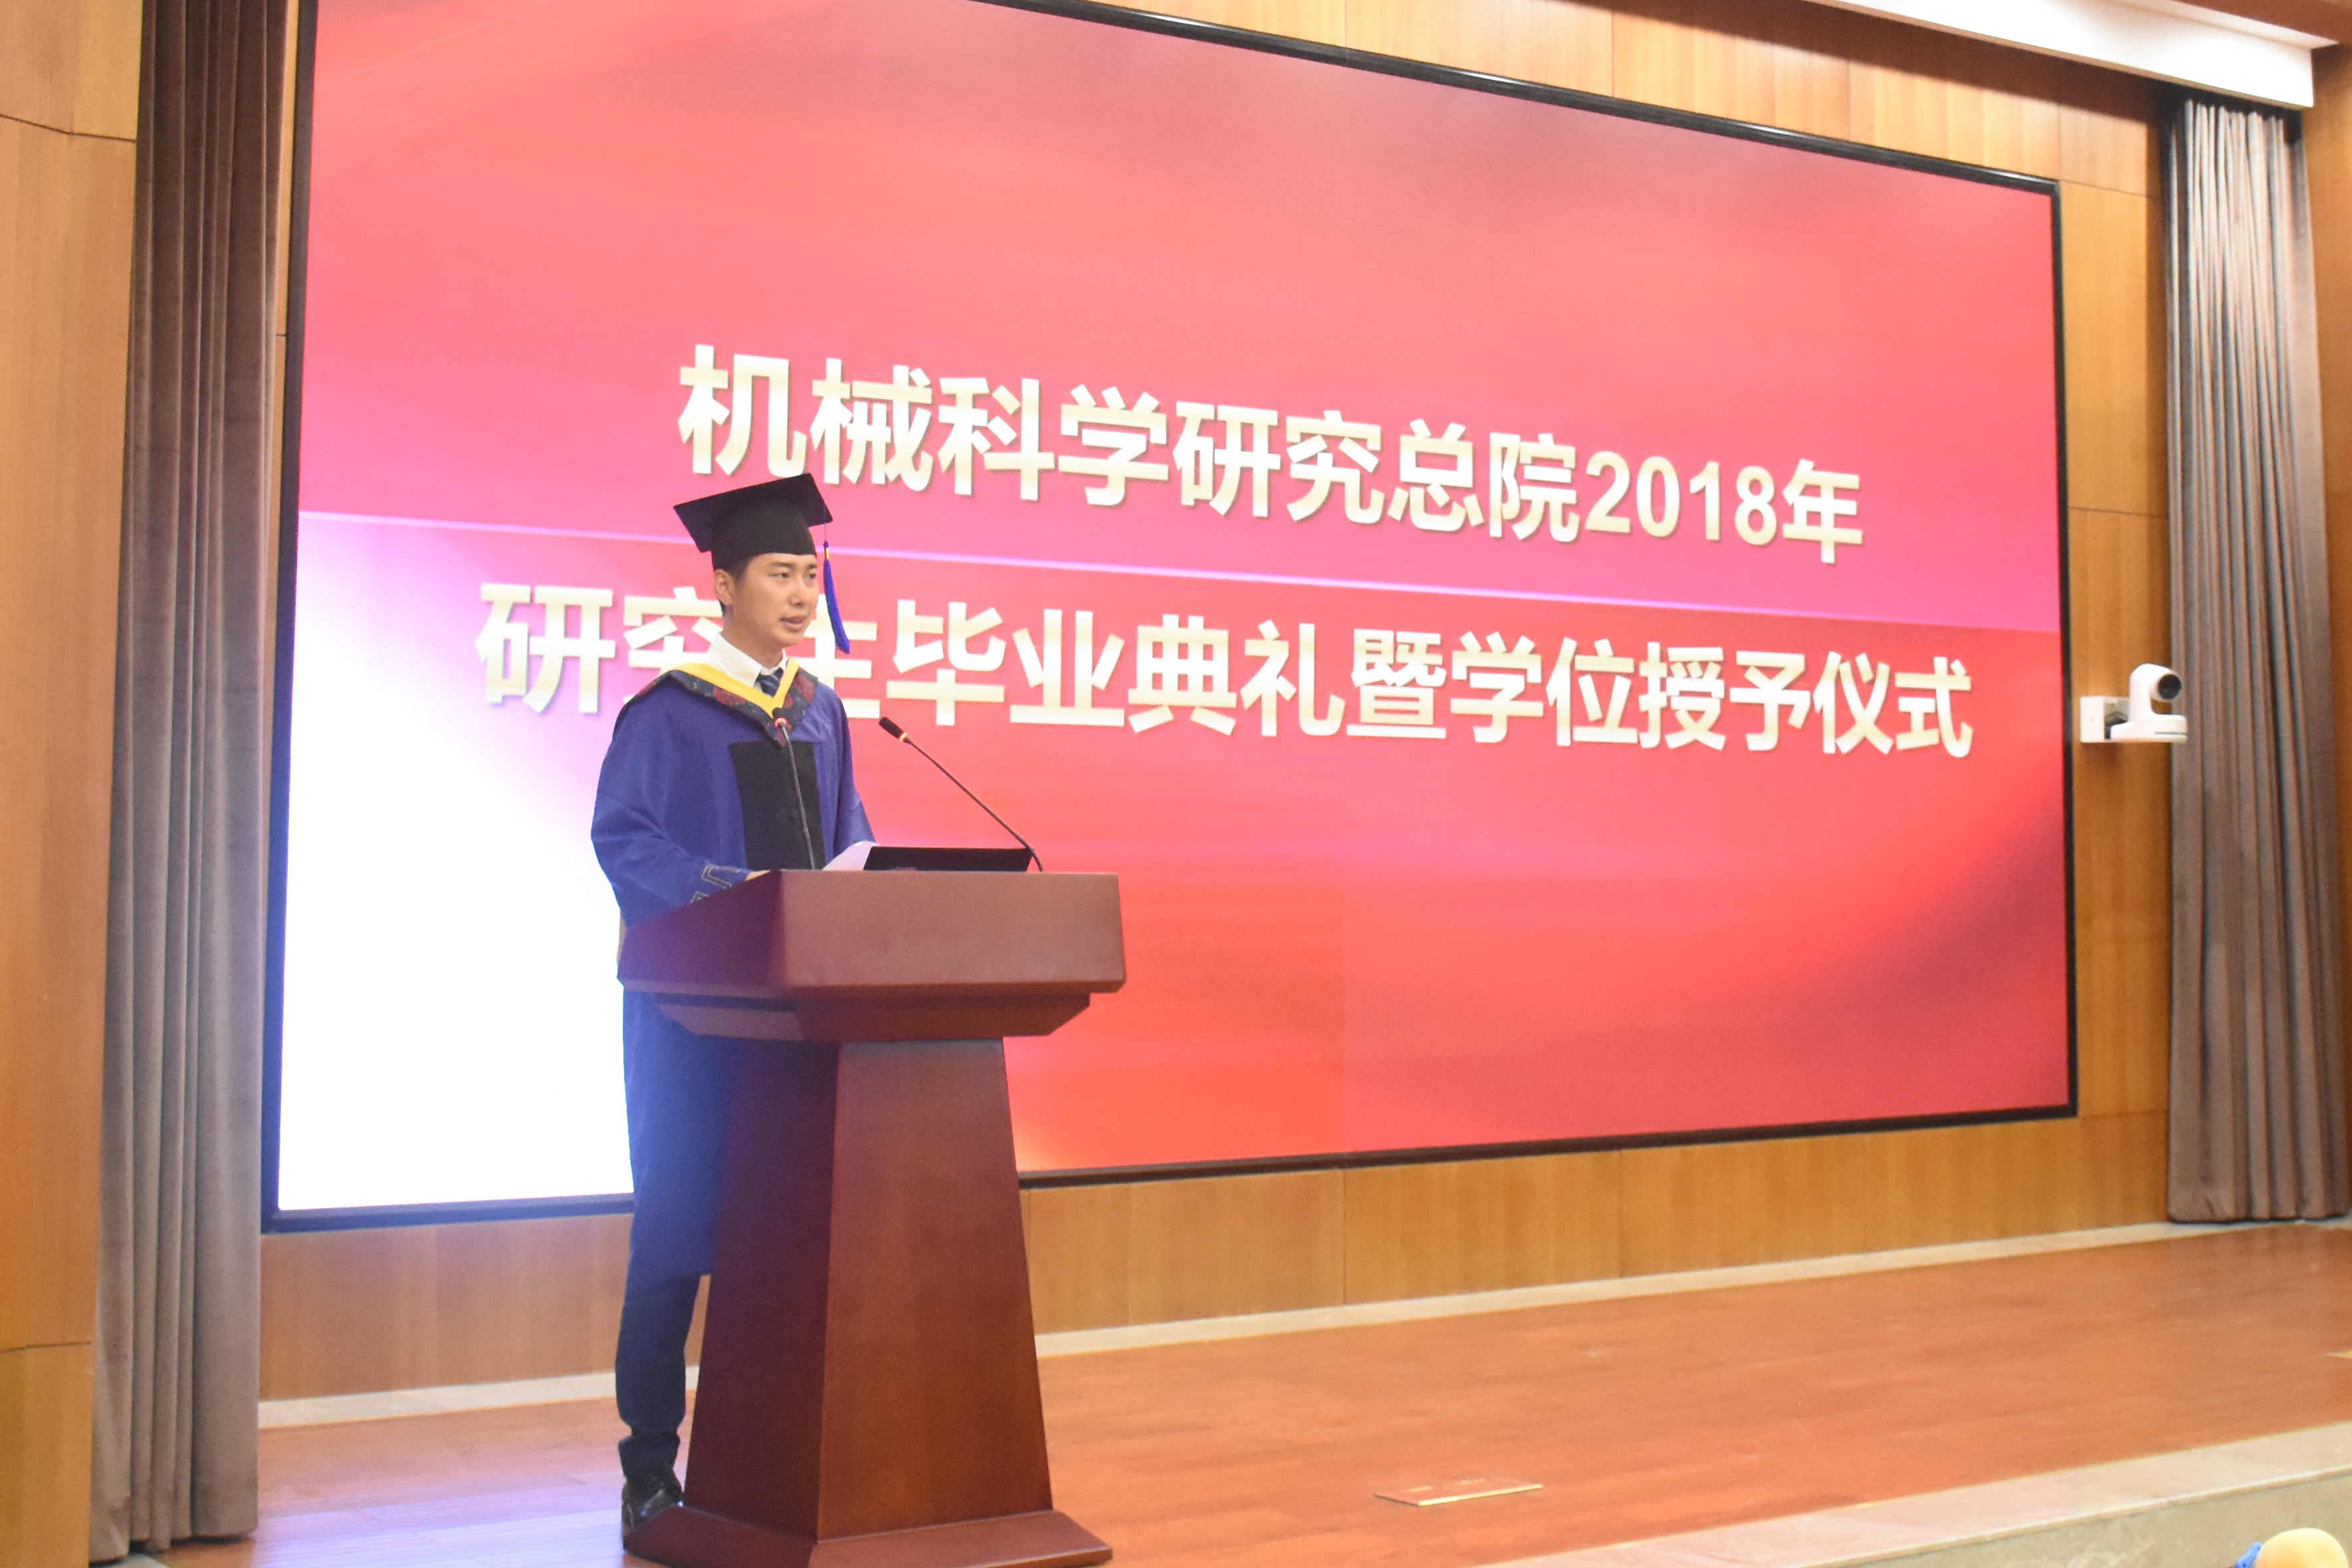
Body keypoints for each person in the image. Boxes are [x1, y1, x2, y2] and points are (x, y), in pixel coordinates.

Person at [589, 473, 873, 1538]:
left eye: (809, 574)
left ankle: (769, 1459)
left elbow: (849, 842)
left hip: (795, 1025)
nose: (800, 594)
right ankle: (648, 1469)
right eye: (779, 574)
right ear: (723, 585)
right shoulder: (668, 713)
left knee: (788, 1243)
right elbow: (625, 843)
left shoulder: (821, 712)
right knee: (674, 1240)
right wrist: (734, 892)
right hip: (690, 1021)